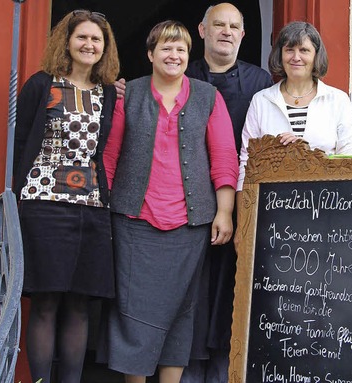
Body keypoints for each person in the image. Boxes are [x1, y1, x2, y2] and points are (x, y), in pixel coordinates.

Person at [97, 20, 239, 383]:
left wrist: (224, 211)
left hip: (189, 226)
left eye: (180, 49)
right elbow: (110, 156)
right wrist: (102, 209)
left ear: (188, 56)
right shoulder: (129, 94)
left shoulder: (209, 96)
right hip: (133, 221)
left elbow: (224, 157)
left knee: (181, 310)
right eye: (166, 47)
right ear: (150, 54)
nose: (173, 55)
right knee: (132, 311)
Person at [12, 10, 120, 383]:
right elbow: (22, 140)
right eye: (83, 38)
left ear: (105, 48)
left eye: (97, 40)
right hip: (43, 204)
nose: (89, 45)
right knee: (45, 301)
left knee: (79, 303)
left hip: (90, 207)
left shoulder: (107, 92)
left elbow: (103, 149)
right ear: (67, 42)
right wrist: (17, 196)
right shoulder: (42, 84)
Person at [181, 4, 274, 383]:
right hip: (183, 205)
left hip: (240, 206)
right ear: (202, 30)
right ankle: (184, 373)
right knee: (188, 296)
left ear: (243, 35)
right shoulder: (179, 72)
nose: (227, 31)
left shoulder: (262, 83)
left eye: (235, 26)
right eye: (219, 24)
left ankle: (222, 375)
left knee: (231, 296)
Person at [238, 21, 352, 190]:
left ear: (316, 56)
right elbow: (247, 160)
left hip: (327, 202)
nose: (296, 57)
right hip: (273, 203)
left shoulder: (338, 100)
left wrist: (304, 152)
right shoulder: (261, 101)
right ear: (280, 55)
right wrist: (244, 208)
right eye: (289, 50)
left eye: (304, 50)